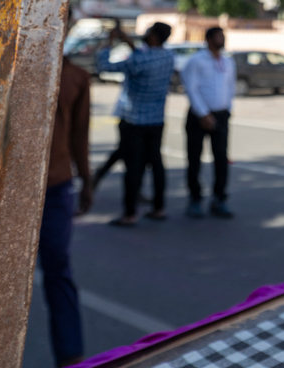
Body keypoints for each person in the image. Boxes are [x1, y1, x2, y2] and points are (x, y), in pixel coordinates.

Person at [39, 20, 94, 367]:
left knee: (57, 269)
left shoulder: (75, 77)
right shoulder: (9, 68)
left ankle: (71, 356)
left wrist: (86, 180)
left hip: (56, 186)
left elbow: (79, 135)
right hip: (9, 190)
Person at [97, 21, 175, 226]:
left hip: (134, 120)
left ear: (154, 37)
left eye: (148, 32)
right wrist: (129, 43)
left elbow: (105, 66)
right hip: (156, 120)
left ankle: (129, 213)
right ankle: (159, 207)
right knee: (156, 164)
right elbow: (143, 57)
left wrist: (109, 42)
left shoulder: (138, 60)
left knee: (133, 168)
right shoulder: (168, 57)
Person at [182, 27, 236, 219]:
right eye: (219, 36)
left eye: (223, 36)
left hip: (221, 115)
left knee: (221, 158)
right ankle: (195, 199)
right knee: (194, 158)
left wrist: (227, 109)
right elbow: (191, 88)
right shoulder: (197, 61)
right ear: (209, 39)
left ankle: (219, 198)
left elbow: (230, 87)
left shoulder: (228, 61)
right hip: (199, 116)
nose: (222, 39)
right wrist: (203, 114)